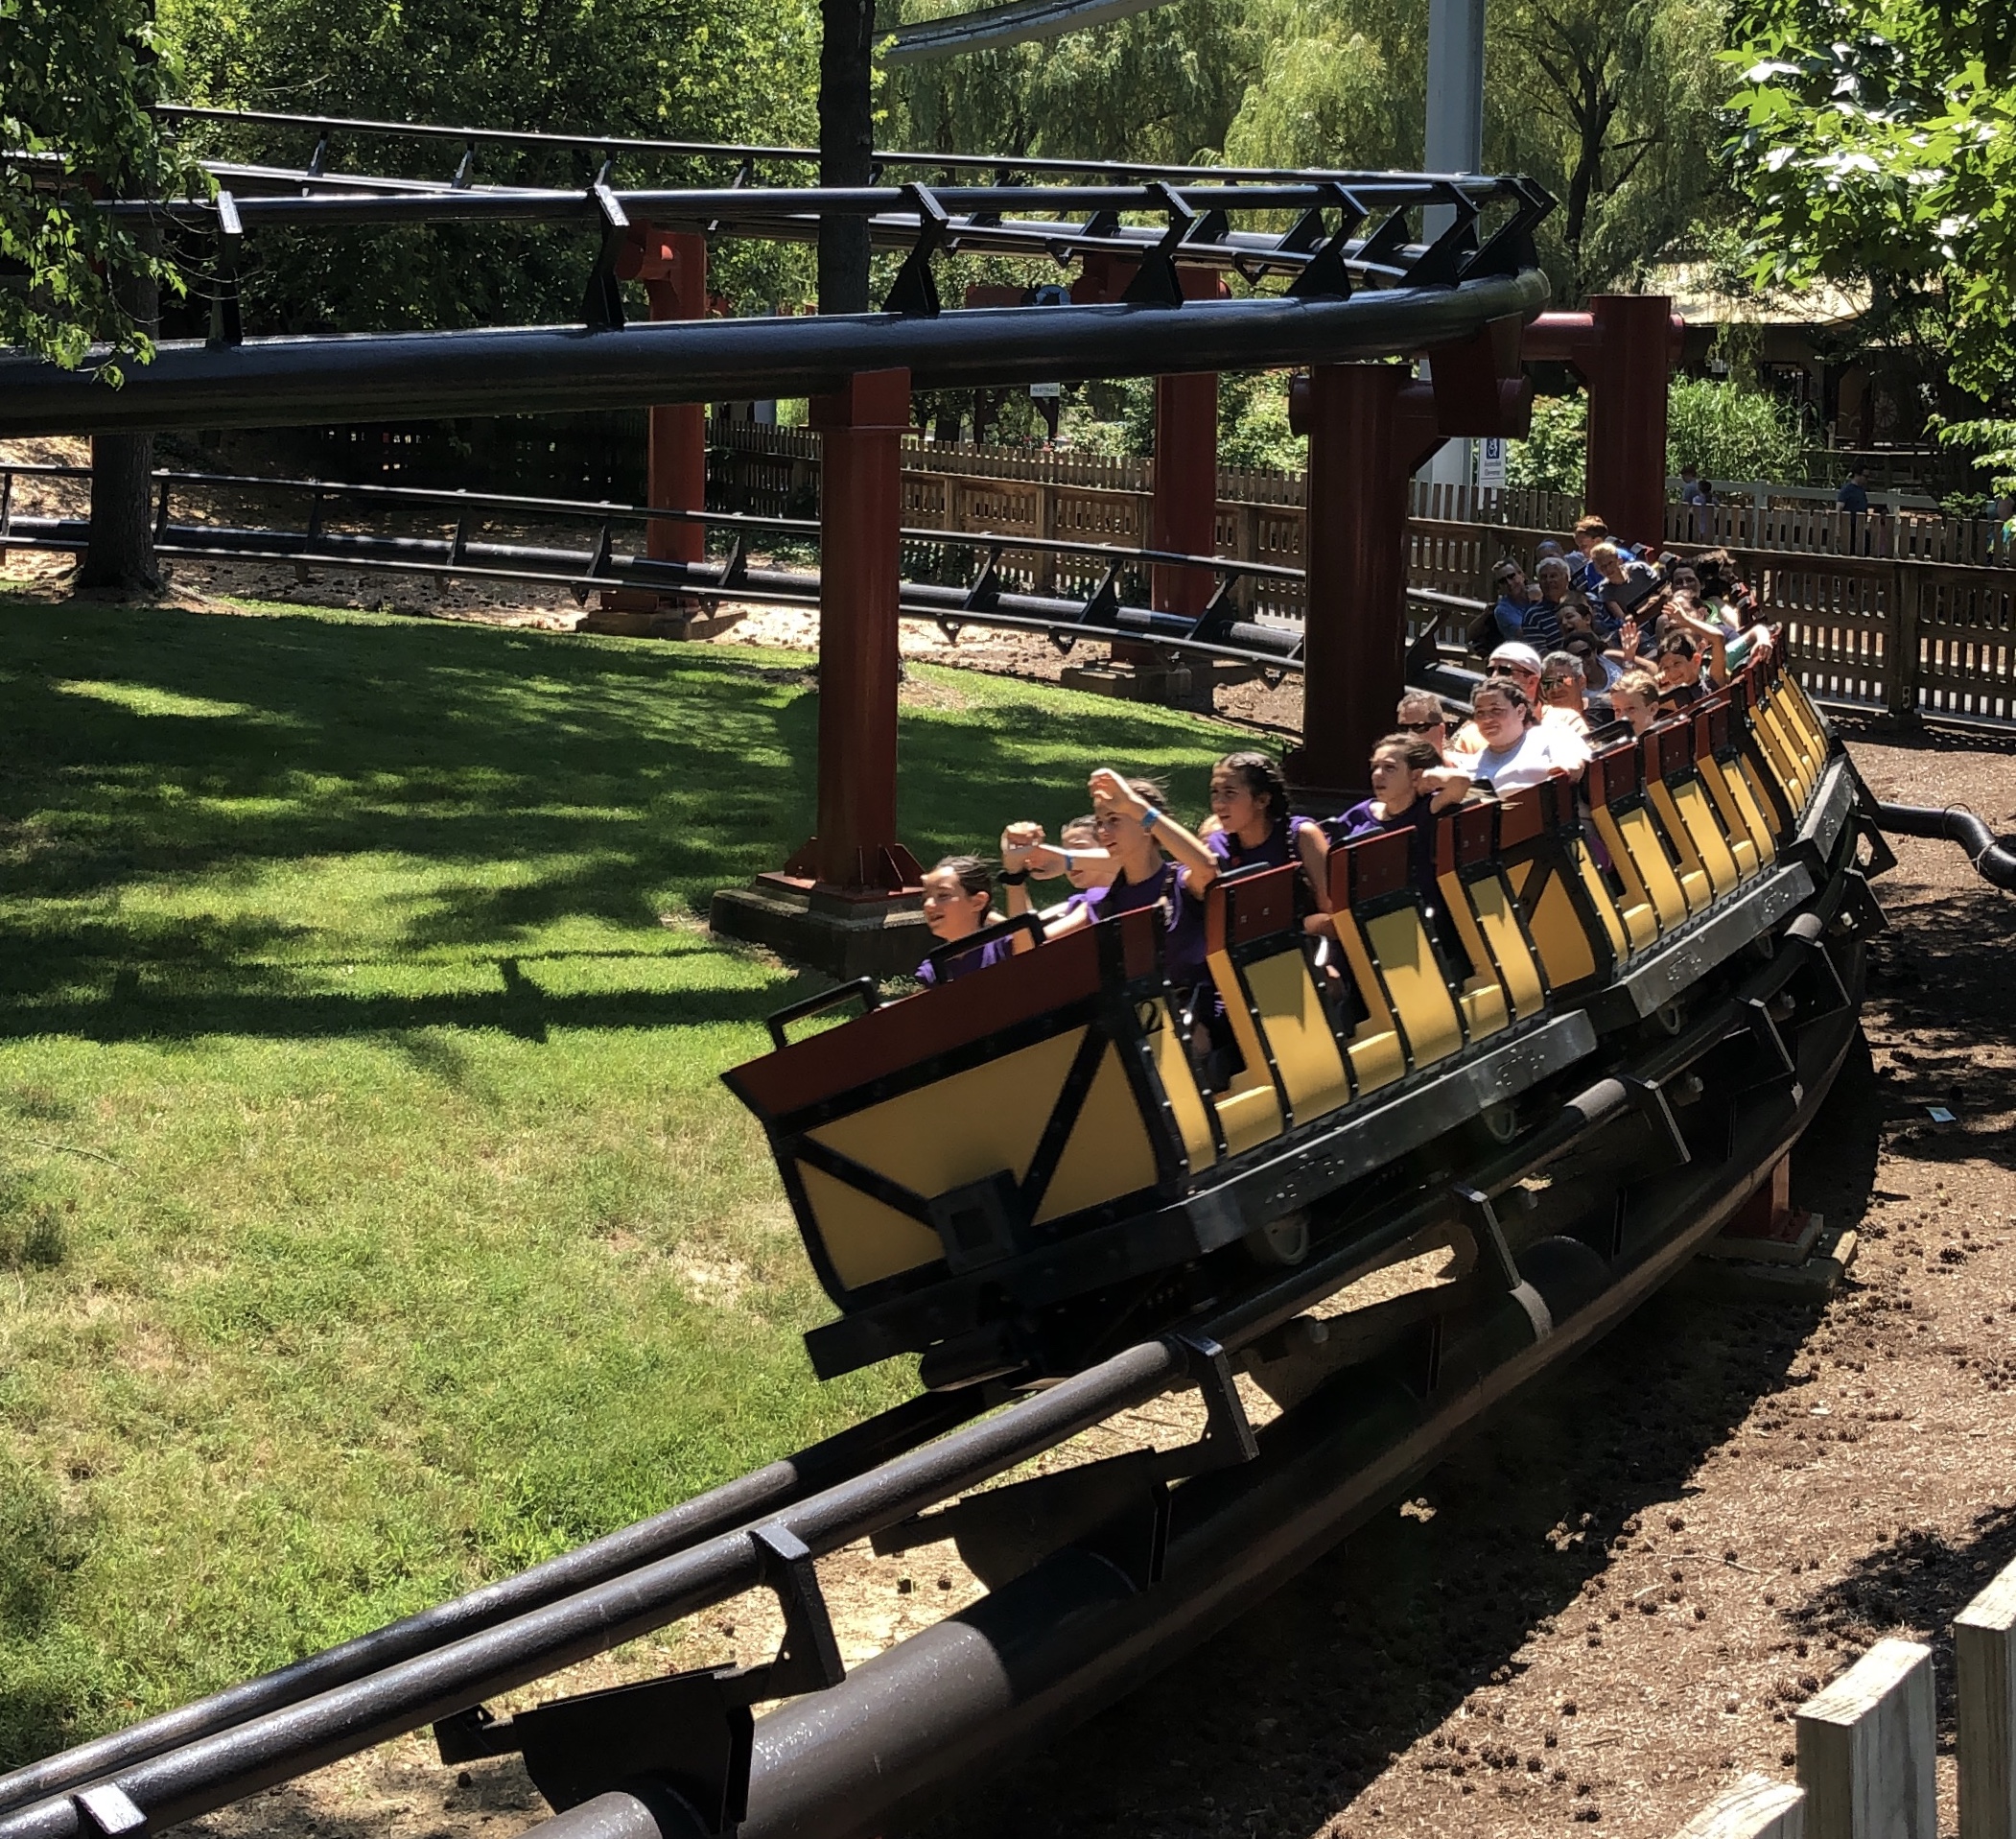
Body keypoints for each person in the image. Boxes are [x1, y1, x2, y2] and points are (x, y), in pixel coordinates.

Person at [1043, 770, 1217, 995]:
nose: (1103, 831)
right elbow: (1026, 946)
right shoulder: (1102, 901)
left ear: (1146, 825)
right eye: (1099, 822)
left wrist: (1137, 807)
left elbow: (1207, 867)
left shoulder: (1181, 883)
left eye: (1114, 819)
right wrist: (1014, 876)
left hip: (1192, 1017)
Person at [1319, 735, 1470, 893]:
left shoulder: (1427, 809)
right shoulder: (1362, 812)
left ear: (1416, 775)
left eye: (1389, 768)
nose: (1377, 774)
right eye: (1375, 767)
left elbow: (1461, 782)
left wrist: (1429, 777)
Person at [1204, 752, 1324, 889]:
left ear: (1262, 800)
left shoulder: (1302, 837)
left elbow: (1333, 907)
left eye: (1230, 793)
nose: (1218, 804)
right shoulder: (1217, 845)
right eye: (1214, 792)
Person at [1452, 679, 1588, 793]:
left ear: (1520, 712)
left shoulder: (1553, 735)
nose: (1487, 719)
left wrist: (1570, 764)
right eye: (1480, 713)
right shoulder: (1469, 769)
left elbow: (1577, 761)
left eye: (1496, 710)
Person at [915, 857, 1014, 985]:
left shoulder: (1005, 946)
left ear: (978, 902)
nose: (928, 904)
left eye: (943, 895)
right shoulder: (932, 969)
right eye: (926, 897)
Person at [1590, 540, 1662, 628]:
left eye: (1610, 563)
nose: (1608, 569)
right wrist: (1646, 607)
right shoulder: (1605, 589)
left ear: (1619, 560)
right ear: (1598, 570)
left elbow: (1660, 588)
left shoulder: (1640, 568)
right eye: (1602, 567)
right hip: (1641, 623)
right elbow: (1623, 618)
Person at [1540, 649, 1608, 733]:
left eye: (1561, 680)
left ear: (1581, 682)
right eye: (1548, 682)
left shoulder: (1608, 710)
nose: (1555, 688)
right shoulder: (1541, 722)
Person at [1395, 690, 1456, 764]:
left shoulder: (1466, 769)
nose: (1409, 735)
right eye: (1403, 729)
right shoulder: (1387, 772)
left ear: (1441, 730)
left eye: (1418, 727)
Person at [1609, 669, 1661, 737]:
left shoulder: (1671, 735)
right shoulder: (1618, 746)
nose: (1622, 716)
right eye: (1617, 710)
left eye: (1631, 708)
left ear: (1652, 709)